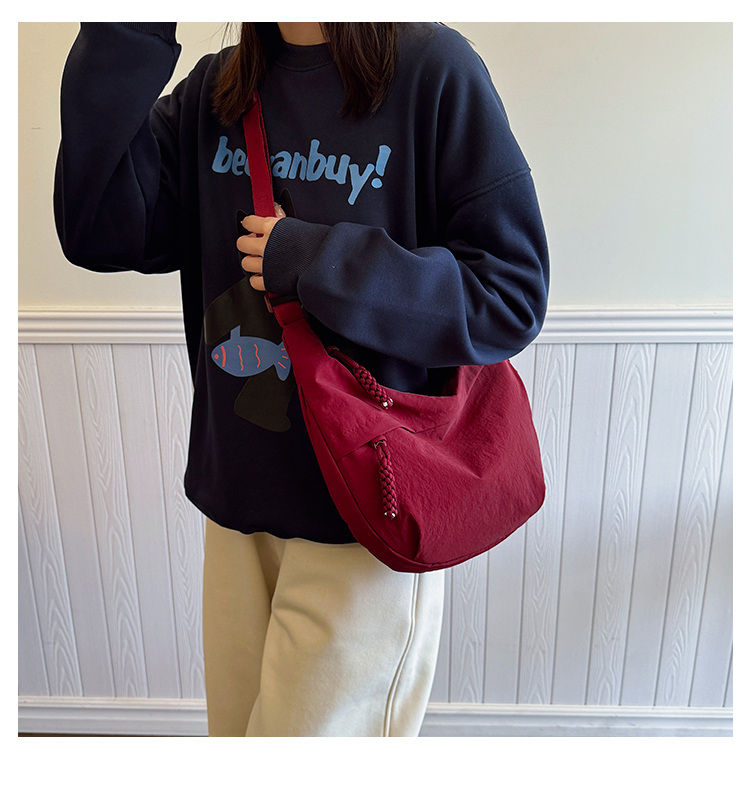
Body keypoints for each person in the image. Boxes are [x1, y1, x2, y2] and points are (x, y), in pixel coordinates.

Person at [54, 22, 549, 737]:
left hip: (363, 519)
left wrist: (316, 261)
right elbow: (97, 229)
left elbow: (508, 294)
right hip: (236, 507)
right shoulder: (215, 91)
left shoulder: (434, 71)